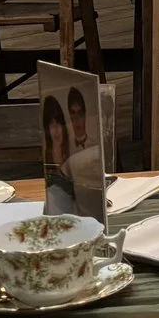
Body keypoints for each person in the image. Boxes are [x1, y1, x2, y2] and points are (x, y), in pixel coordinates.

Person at [63, 84, 103, 218]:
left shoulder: (96, 149)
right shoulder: (64, 150)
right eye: (72, 114)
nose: (77, 121)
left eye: (80, 114)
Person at [42, 97, 75, 216]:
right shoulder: (47, 153)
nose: (56, 129)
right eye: (51, 124)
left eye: (58, 123)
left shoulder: (72, 149)